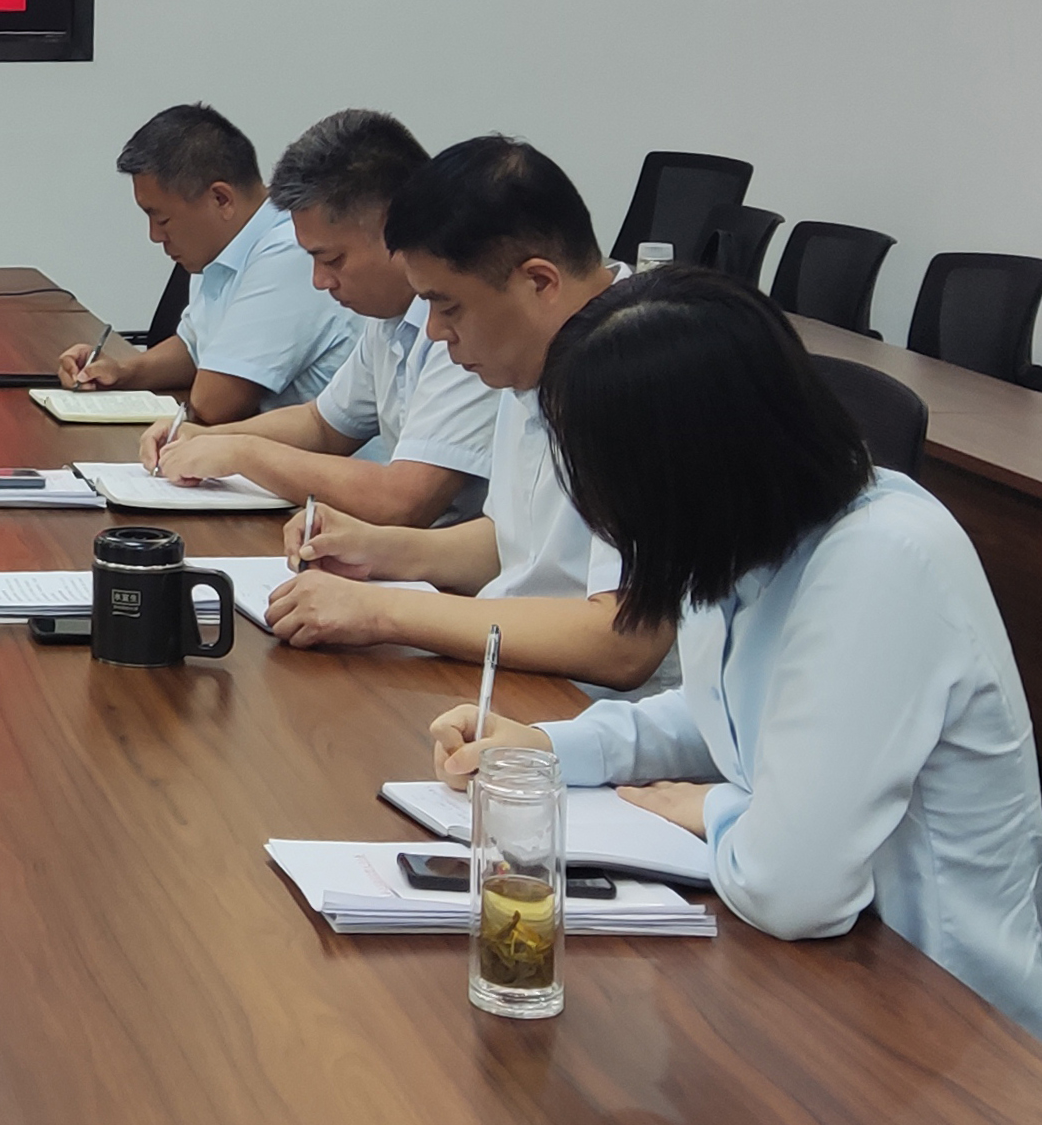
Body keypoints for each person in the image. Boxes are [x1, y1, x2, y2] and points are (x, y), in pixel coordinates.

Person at [431, 267, 1042, 1036]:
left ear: (685, 468)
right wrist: (547, 750)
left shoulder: (882, 560)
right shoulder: (742, 534)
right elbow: (715, 710)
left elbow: (791, 891)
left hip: (942, 1018)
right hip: (825, 981)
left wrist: (712, 806)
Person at [262, 135, 674, 690]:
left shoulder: (650, 374)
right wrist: (377, 550)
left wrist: (382, 612)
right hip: (525, 681)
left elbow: (623, 641)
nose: (434, 331)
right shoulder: (539, 353)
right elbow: (513, 543)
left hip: (601, 714)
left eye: (448, 306)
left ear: (538, 282)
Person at [132, 110, 492, 525]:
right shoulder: (389, 316)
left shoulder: (464, 325)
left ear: (397, 229)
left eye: (332, 260)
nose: (320, 281)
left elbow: (404, 500)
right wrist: (206, 438)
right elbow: (323, 424)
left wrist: (244, 453)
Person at [58, 103, 357, 423]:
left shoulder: (291, 251)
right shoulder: (221, 248)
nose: (154, 235)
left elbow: (215, 403)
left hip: (319, 451)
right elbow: (194, 348)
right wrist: (121, 372)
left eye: (162, 219)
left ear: (220, 199)